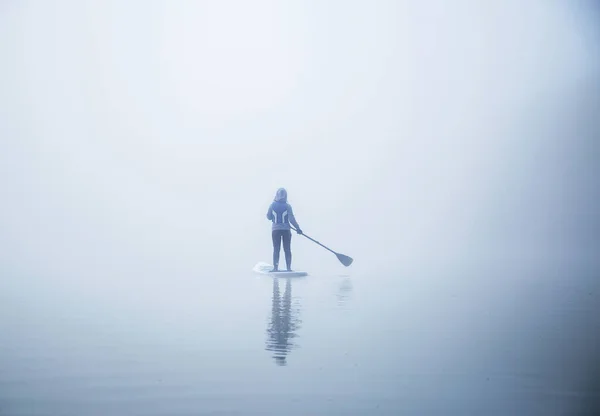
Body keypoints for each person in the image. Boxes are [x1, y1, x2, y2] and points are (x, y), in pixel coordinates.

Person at [266, 188, 302, 272]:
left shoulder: (272, 205)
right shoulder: (287, 206)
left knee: (276, 249)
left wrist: (273, 217)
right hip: (286, 230)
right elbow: (291, 219)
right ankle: (288, 268)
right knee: (287, 249)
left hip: (275, 230)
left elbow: (268, 217)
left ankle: (275, 268)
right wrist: (298, 228)